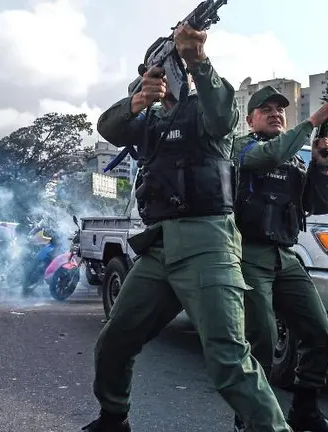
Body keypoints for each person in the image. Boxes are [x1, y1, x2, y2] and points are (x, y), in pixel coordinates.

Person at [82, 23, 291, 432]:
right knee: (115, 340)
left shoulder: (203, 108)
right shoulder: (148, 118)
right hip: (160, 246)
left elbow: (225, 112)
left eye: (168, 68)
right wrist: (139, 99)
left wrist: (197, 59)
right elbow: (108, 126)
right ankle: (113, 417)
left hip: (208, 243)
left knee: (228, 358)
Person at [231, 86, 328, 432]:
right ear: (250, 119)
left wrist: (323, 167)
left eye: (280, 109)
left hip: (286, 254)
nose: (276, 113)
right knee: (261, 336)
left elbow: (318, 205)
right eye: (265, 110)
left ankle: (305, 410)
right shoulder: (242, 147)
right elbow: (266, 157)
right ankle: (250, 420)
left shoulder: (295, 157)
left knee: (319, 332)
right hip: (248, 252)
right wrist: (312, 123)